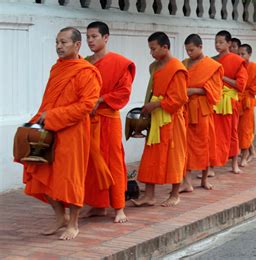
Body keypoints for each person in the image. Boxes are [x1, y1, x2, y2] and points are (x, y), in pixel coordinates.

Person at [17, 27, 101, 240]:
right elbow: (49, 101)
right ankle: (59, 216)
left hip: (73, 132)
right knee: (38, 172)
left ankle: (73, 223)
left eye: (64, 42)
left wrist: (52, 116)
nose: (59, 46)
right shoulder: (57, 69)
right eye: (57, 42)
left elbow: (86, 106)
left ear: (77, 45)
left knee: (70, 177)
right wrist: (37, 121)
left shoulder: (86, 71)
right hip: (49, 130)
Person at [80, 21, 135, 224]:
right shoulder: (85, 62)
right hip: (88, 119)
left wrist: (100, 99)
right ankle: (97, 205)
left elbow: (124, 92)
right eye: (88, 37)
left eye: (94, 36)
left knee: (113, 161)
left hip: (108, 119)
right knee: (91, 163)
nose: (90, 40)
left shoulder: (119, 63)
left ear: (106, 38)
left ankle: (119, 207)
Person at [132, 32, 188, 207]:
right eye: (150, 49)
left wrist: (154, 105)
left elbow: (179, 98)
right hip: (156, 117)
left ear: (165, 47)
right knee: (151, 156)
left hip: (171, 119)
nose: (151, 53)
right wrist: (148, 108)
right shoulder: (154, 67)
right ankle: (149, 195)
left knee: (174, 156)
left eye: (154, 49)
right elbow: (152, 91)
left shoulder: (177, 68)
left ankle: (175, 193)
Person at [180, 34, 223, 192]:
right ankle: (186, 181)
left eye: (191, 50)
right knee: (184, 146)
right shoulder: (183, 64)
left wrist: (194, 90)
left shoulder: (212, 66)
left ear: (200, 47)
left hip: (202, 111)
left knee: (205, 144)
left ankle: (204, 179)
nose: (189, 53)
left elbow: (216, 90)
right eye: (187, 50)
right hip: (185, 110)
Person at [211, 30, 248, 174]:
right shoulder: (212, 61)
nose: (217, 45)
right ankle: (211, 166)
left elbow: (240, 85)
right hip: (215, 100)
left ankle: (234, 165)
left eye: (221, 42)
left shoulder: (237, 61)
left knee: (232, 133)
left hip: (230, 102)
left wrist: (223, 77)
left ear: (229, 43)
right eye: (216, 42)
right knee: (213, 134)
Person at [238, 43, 256, 166]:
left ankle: (244, 157)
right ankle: (245, 153)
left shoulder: (255, 68)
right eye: (239, 54)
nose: (240, 56)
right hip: (236, 101)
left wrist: (254, 100)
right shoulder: (237, 66)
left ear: (249, 54)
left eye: (243, 54)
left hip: (248, 103)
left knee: (246, 130)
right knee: (237, 130)